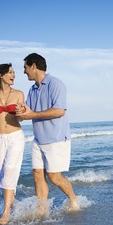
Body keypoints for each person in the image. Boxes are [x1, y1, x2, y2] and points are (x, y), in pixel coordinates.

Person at [16, 53, 79, 214]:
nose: (24, 71)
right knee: (37, 173)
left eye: (25, 67)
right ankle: (42, 209)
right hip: (38, 139)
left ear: (34, 66)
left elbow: (59, 111)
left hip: (56, 138)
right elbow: (27, 111)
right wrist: (19, 111)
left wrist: (31, 115)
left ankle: (74, 200)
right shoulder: (32, 89)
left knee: (54, 177)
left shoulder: (56, 84)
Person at [0, 63, 25, 225]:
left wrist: (21, 112)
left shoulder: (19, 94)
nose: (13, 75)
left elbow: (22, 118)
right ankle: (12, 204)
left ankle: (6, 212)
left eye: (14, 73)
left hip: (15, 136)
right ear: (1, 75)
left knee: (9, 171)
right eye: (10, 73)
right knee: (1, 174)